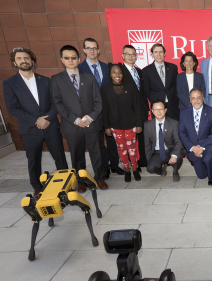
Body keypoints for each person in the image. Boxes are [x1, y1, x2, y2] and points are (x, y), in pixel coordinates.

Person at [3, 47, 68, 199]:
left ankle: (64, 183)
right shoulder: (10, 83)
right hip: (30, 129)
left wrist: (47, 119)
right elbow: (12, 108)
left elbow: (55, 103)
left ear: (32, 61)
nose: (23, 61)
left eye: (26, 58)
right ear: (14, 62)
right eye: (19, 58)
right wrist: (35, 120)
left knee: (59, 156)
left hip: (51, 126)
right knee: (34, 160)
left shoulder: (45, 80)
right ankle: (37, 188)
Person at [51, 45, 108, 191]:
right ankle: (81, 180)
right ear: (62, 60)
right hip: (72, 125)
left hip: (91, 123)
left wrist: (90, 117)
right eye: (67, 58)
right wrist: (76, 120)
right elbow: (58, 104)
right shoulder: (56, 79)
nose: (71, 60)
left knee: (97, 152)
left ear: (78, 59)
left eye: (73, 58)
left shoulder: (89, 78)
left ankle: (100, 178)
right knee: (77, 155)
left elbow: (98, 101)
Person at [78, 38, 124, 179]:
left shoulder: (107, 67)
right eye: (89, 48)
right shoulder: (79, 69)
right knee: (98, 143)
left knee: (112, 140)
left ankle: (114, 165)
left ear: (98, 50)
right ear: (84, 50)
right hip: (91, 113)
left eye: (94, 48)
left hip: (109, 111)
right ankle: (104, 168)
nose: (92, 51)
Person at [101, 63, 143, 182]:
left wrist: (139, 123)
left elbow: (137, 106)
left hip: (130, 124)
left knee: (132, 148)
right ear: (110, 74)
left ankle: (135, 169)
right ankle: (127, 170)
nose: (117, 75)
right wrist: (106, 126)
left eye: (119, 72)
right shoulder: (105, 88)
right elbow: (104, 109)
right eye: (114, 72)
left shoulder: (130, 87)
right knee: (122, 149)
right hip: (115, 125)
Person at [178, 87, 212, 186]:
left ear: (203, 98)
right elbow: (181, 133)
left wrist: (201, 147)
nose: (196, 101)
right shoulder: (183, 112)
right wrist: (193, 148)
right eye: (193, 98)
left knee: (207, 159)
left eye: (198, 97)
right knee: (201, 175)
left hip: (209, 144)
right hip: (193, 146)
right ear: (190, 100)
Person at [120, 44, 149, 170]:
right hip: (127, 111)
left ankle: (142, 160)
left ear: (136, 56)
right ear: (123, 55)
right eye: (128, 54)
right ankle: (131, 162)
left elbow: (142, 93)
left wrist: (146, 108)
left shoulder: (139, 71)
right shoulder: (119, 72)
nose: (131, 56)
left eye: (133, 54)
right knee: (129, 140)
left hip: (141, 110)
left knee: (142, 136)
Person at [144, 100, 184, 181]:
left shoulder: (174, 123)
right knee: (150, 168)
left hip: (170, 150)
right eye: (156, 109)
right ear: (152, 111)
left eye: (161, 109)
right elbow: (147, 145)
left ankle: (175, 171)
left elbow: (178, 142)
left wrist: (174, 155)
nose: (158, 112)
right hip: (157, 152)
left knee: (178, 155)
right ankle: (162, 168)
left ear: (165, 110)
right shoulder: (147, 125)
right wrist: (149, 161)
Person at [143, 43, 180, 120]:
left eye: (160, 52)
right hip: (157, 108)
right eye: (156, 52)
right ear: (152, 54)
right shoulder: (146, 71)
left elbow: (176, 86)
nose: (158, 54)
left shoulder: (173, 68)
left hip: (173, 107)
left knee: (174, 130)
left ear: (164, 53)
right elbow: (146, 91)